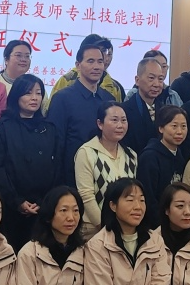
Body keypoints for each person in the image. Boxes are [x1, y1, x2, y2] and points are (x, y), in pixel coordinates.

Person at [84, 178, 171, 285]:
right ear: (113, 205)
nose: (138, 207)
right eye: (130, 200)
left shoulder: (155, 240)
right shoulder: (97, 246)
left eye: (142, 200)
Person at [0, 74, 62, 249]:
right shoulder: (2, 127)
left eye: (38, 93)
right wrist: (17, 201)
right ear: (16, 95)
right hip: (11, 206)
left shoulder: (49, 128)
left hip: (43, 207)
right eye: (28, 93)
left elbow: (57, 167)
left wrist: (45, 201)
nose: (34, 98)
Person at [16, 186, 94, 285]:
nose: (71, 217)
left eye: (76, 211)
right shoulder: (29, 253)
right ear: (48, 216)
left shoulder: (84, 252)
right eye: (63, 210)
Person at [47, 43, 116, 185]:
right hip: (71, 177)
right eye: (90, 61)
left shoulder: (109, 99)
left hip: (105, 177)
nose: (96, 66)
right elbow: (55, 144)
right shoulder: (62, 98)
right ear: (78, 65)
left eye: (100, 62)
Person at [74, 102, 137, 236]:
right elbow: (86, 196)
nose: (120, 125)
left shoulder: (131, 155)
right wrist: (106, 227)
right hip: (94, 230)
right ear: (100, 124)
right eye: (114, 120)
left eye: (123, 120)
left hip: (125, 228)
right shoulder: (87, 152)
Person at [135, 105, 187, 229]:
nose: (179, 131)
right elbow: (148, 197)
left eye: (183, 126)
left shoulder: (179, 154)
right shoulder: (150, 157)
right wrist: (163, 225)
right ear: (161, 128)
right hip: (156, 225)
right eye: (174, 126)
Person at [50, 35, 126, 103]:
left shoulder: (114, 87)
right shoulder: (67, 80)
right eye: (91, 60)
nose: (105, 57)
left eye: (104, 51)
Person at [121, 58, 168, 153]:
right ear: (137, 80)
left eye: (160, 79)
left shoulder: (166, 111)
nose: (156, 84)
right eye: (151, 78)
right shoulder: (124, 111)